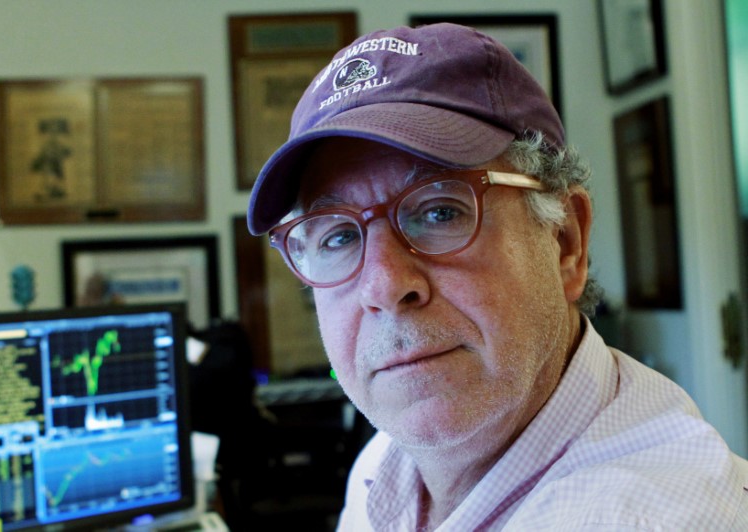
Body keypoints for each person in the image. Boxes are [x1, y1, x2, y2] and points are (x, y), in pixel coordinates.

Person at [246, 23, 748, 530]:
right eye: (337, 237)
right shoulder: (382, 467)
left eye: (440, 211)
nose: (383, 286)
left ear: (565, 242)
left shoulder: (664, 516)